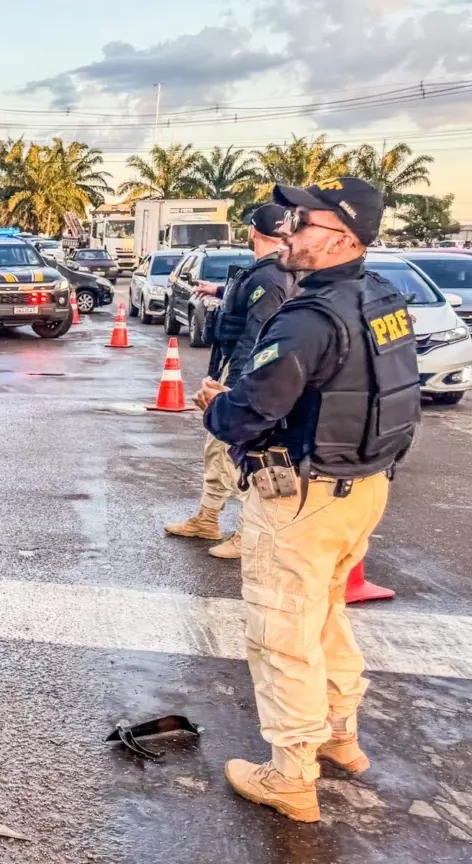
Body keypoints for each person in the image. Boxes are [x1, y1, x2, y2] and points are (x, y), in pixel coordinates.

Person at [198, 178, 420, 824]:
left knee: (282, 633)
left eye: (302, 223)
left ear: (343, 238)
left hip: (303, 498)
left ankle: (292, 774)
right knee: (324, 617)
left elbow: (247, 414)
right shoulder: (382, 298)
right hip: (363, 488)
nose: (285, 233)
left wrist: (215, 407)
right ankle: (340, 735)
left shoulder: (308, 320)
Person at [165, 204, 297, 558]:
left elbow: (256, 335)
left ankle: (247, 532)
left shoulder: (271, 278)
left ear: (253, 231)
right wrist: (220, 291)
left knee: (230, 453)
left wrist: (234, 387)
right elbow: (249, 306)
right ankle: (208, 519)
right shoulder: (269, 273)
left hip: (242, 375)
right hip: (231, 368)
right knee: (215, 448)